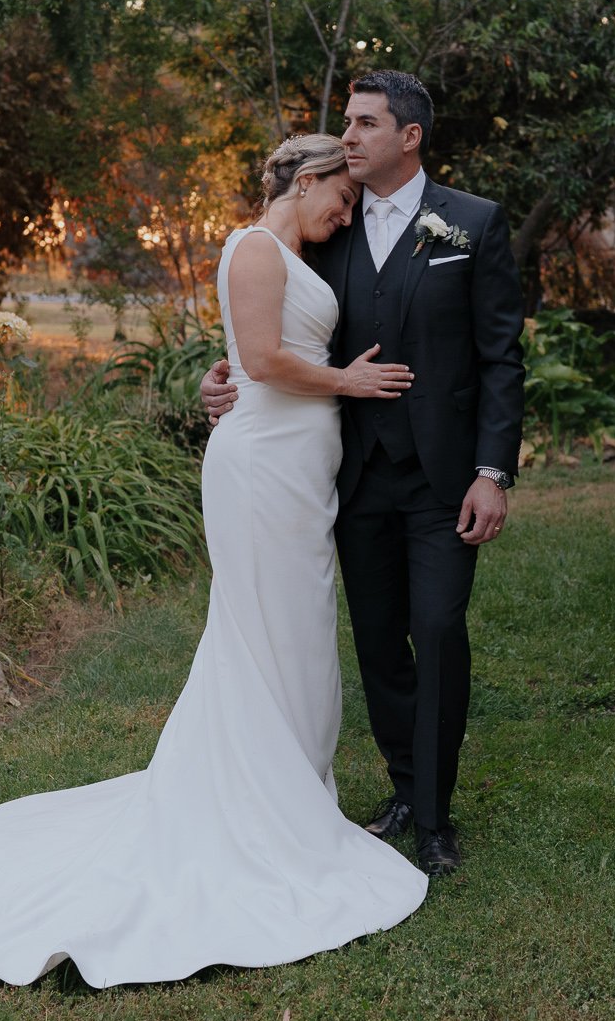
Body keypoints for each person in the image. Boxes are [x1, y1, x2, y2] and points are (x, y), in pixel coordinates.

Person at [0, 135, 429, 988]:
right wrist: (347, 383)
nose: (344, 215)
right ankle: (259, 811)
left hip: (300, 472)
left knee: (299, 634)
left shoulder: (292, 251)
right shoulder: (252, 246)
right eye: (339, 199)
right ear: (307, 179)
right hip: (261, 468)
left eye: (350, 206)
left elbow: (256, 357)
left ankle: (292, 798)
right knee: (261, 633)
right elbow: (268, 360)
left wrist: (266, 376)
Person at [202, 71, 526, 876]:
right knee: (379, 641)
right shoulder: (327, 233)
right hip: (350, 480)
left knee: (440, 632)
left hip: (445, 477)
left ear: (409, 135)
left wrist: (493, 471)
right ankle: (407, 791)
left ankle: (439, 816)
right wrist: (223, 378)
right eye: (345, 123)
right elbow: (271, 328)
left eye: (364, 122)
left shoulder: (472, 224)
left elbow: (500, 359)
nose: (349, 135)